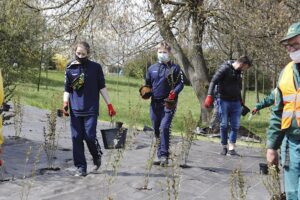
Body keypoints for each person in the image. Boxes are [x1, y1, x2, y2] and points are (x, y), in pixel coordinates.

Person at [63, 41, 116, 176]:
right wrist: (65, 103)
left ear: (88, 53)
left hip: (91, 108)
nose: (80, 56)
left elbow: (102, 87)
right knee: (76, 137)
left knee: (89, 136)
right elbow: (67, 89)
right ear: (75, 52)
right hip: (75, 109)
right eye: (78, 53)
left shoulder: (95, 67)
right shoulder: (70, 67)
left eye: (83, 54)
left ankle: (96, 155)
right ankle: (81, 167)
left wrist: (109, 104)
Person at [266, 22, 300, 199]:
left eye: (295, 44)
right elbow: (278, 111)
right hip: (292, 142)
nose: (291, 49)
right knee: (293, 193)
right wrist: (272, 146)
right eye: (288, 46)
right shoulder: (286, 73)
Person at [143, 41, 184, 166]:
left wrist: (174, 92)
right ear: (157, 53)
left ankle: (164, 155)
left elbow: (180, 84)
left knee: (164, 127)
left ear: (169, 53)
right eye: (160, 52)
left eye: (164, 52)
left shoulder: (175, 68)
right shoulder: (151, 69)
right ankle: (160, 152)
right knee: (156, 128)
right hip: (155, 103)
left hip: (169, 103)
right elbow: (148, 84)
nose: (162, 54)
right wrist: (145, 91)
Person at [204, 56, 252, 156]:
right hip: (223, 100)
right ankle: (224, 147)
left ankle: (232, 149)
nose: (245, 70)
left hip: (236, 103)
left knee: (235, 125)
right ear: (242, 64)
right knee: (224, 124)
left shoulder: (239, 73)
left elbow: (238, 88)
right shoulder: (225, 68)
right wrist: (209, 96)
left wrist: (241, 102)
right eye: (245, 67)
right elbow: (213, 81)